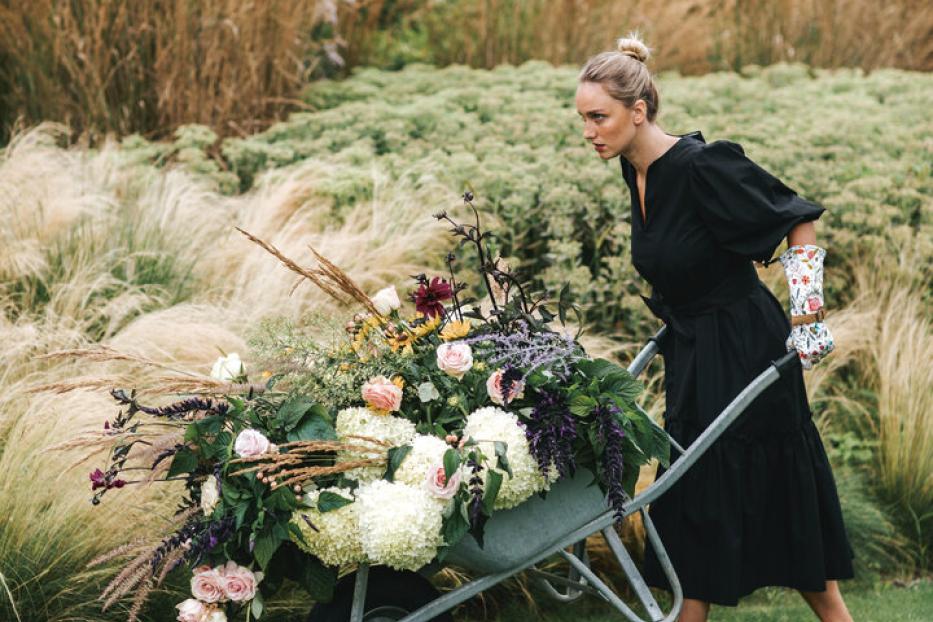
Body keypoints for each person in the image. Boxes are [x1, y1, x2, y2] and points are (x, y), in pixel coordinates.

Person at [574, 33, 856, 622]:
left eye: (599, 117)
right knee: (692, 502)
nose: (589, 131)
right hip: (695, 355)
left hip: (746, 350)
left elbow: (796, 218)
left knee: (769, 498)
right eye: (583, 119)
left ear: (638, 110)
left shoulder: (703, 165)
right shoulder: (636, 170)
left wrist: (808, 315)